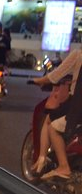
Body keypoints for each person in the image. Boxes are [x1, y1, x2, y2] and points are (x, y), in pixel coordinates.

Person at [32, 48, 82, 180]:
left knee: (52, 124)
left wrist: (38, 80)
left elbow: (56, 74)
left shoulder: (78, 54)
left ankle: (62, 165)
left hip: (77, 106)